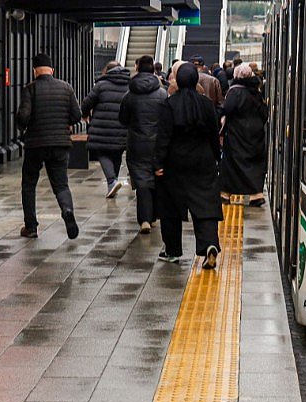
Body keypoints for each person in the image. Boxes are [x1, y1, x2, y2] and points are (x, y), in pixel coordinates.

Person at [155, 63, 224, 269]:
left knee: (170, 207)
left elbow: (163, 137)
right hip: (203, 160)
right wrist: (217, 156)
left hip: (174, 162)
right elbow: (214, 134)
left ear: (177, 80)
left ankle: (172, 250)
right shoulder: (206, 104)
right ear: (195, 80)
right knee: (205, 204)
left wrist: (158, 162)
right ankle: (209, 244)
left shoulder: (169, 105)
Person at [15, 53, 83, 239]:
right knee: (61, 185)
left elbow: (23, 116)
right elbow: (77, 115)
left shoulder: (30, 89)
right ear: (52, 70)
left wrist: (22, 125)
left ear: (34, 71)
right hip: (60, 143)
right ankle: (67, 210)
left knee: (29, 184)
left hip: (36, 144)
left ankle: (31, 227)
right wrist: (65, 122)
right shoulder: (66, 88)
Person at [119, 55, 167, 234]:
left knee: (141, 180)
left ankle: (144, 219)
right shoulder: (162, 94)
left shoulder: (129, 95)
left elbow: (123, 119)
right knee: (156, 176)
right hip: (157, 142)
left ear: (137, 69)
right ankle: (153, 215)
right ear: (153, 70)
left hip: (136, 143)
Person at [220, 64, 269, 206]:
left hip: (236, 134)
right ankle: (256, 195)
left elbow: (227, 109)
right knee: (254, 163)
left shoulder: (234, 91)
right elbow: (264, 112)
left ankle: (226, 193)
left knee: (231, 164)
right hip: (256, 133)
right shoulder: (256, 91)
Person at [81, 61, 132, 198]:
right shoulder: (129, 85)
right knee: (117, 153)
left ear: (107, 70)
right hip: (122, 127)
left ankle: (111, 181)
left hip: (101, 127)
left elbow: (86, 103)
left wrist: (85, 115)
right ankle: (113, 182)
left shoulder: (101, 85)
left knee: (102, 153)